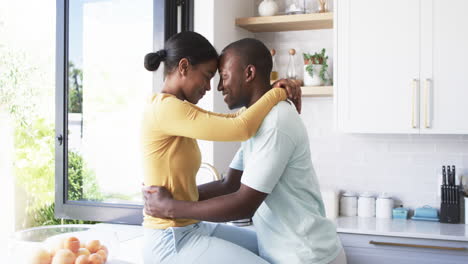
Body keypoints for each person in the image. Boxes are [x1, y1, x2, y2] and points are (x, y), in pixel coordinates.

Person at [143, 38, 347, 264]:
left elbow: (239, 195)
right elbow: (230, 176)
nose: (217, 86)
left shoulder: (274, 121)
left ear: (249, 73)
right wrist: (172, 206)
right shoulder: (168, 108)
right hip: (174, 235)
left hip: (305, 254)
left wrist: (174, 207)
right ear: (183, 67)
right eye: (210, 76)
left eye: (222, 76)